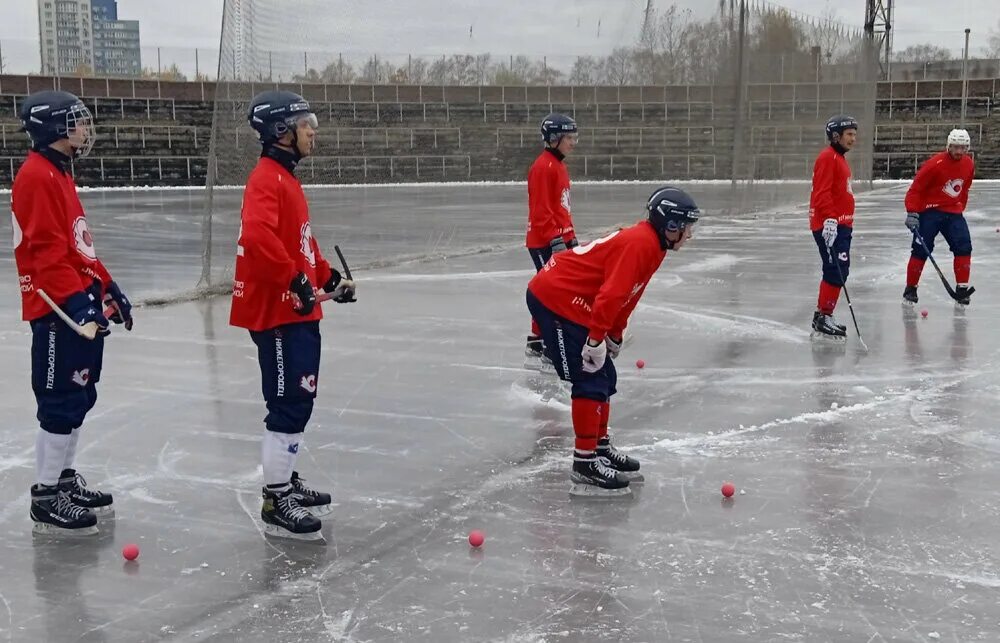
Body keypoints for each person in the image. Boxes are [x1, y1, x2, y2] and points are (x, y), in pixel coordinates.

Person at [230, 90, 356, 541]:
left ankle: (286, 476)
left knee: (299, 400)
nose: (313, 131)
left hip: (297, 310)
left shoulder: (287, 180)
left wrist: (326, 279)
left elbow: (302, 244)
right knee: (287, 402)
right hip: (279, 314)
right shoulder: (266, 179)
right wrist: (295, 281)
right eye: (305, 124)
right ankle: (275, 497)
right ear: (281, 131)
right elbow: (260, 238)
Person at [526, 186, 700, 497]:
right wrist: (594, 340)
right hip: (556, 298)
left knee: (606, 375)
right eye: (686, 227)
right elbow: (611, 296)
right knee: (589, 376)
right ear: (670, 226)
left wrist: (614, 334)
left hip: (574, 299)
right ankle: (585, 464)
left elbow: (630, 295)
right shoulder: (640, 243)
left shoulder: (654, 245)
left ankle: (599, 446)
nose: (689, 235)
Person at [12, 90, 133, 535]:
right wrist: (78, 302)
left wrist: (105, 285)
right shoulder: (37, 176)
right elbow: (46, 254)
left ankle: (63, 478)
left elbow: (77, 248)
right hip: (57, 310)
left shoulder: (60, 174)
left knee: (81, 394)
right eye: (76, 121)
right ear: (53, 128)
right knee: (60, 399)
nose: (84, 129)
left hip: (77, 304)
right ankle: (46, 495)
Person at [525, 113, 579, 359]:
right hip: (543, 241)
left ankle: (538, 339)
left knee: (556, 290)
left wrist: (570, 236)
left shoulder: (559, 165)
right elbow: (541, 211)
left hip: (559, 237)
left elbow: (562, 208)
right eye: (569, 137)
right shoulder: (542, 167)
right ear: (555, 138)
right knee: (551, 292)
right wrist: (555, 239)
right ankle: (548, 342)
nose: (573, 142)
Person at [903, 129, 976, 306]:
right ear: (949, 146)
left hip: (953, 212)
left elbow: (964, 188)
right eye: (956, 147)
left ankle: (962, 289)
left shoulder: (968, 164)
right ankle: (910, 289)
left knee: (964, 247)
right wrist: (912, 212)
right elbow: (916, 189)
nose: (959, 151)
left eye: (963, 148)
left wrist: (960, 207)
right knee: (921, 249)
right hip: (930, 212)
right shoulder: (935, 163)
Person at [809, 115, 858, 339]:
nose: (853, 139)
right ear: (836, 136)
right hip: (831, 225)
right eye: (849, 134)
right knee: (835, 269)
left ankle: (823, 314)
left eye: (854, 134)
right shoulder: (828, 157)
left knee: (840, 269)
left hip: (842, 224)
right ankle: (824, 317)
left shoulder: (839, 158)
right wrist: (830, 219)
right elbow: (821, 192)